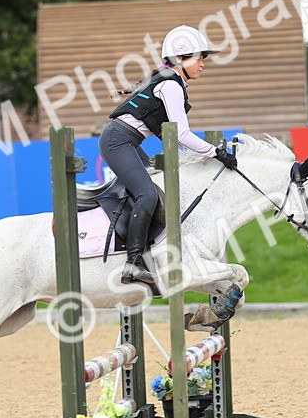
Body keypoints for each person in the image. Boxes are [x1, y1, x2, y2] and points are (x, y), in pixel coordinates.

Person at [99, 24, 237, 285]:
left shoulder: (170, 80)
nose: (203, 64)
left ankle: (146, 252)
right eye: (199, 58)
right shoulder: (171, 86)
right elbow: (182, 135)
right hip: (118, 141)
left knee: (155, 189)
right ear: (181, 58)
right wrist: (216, 152)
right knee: (148, 194)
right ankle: (133, 263)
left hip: (125, 140)